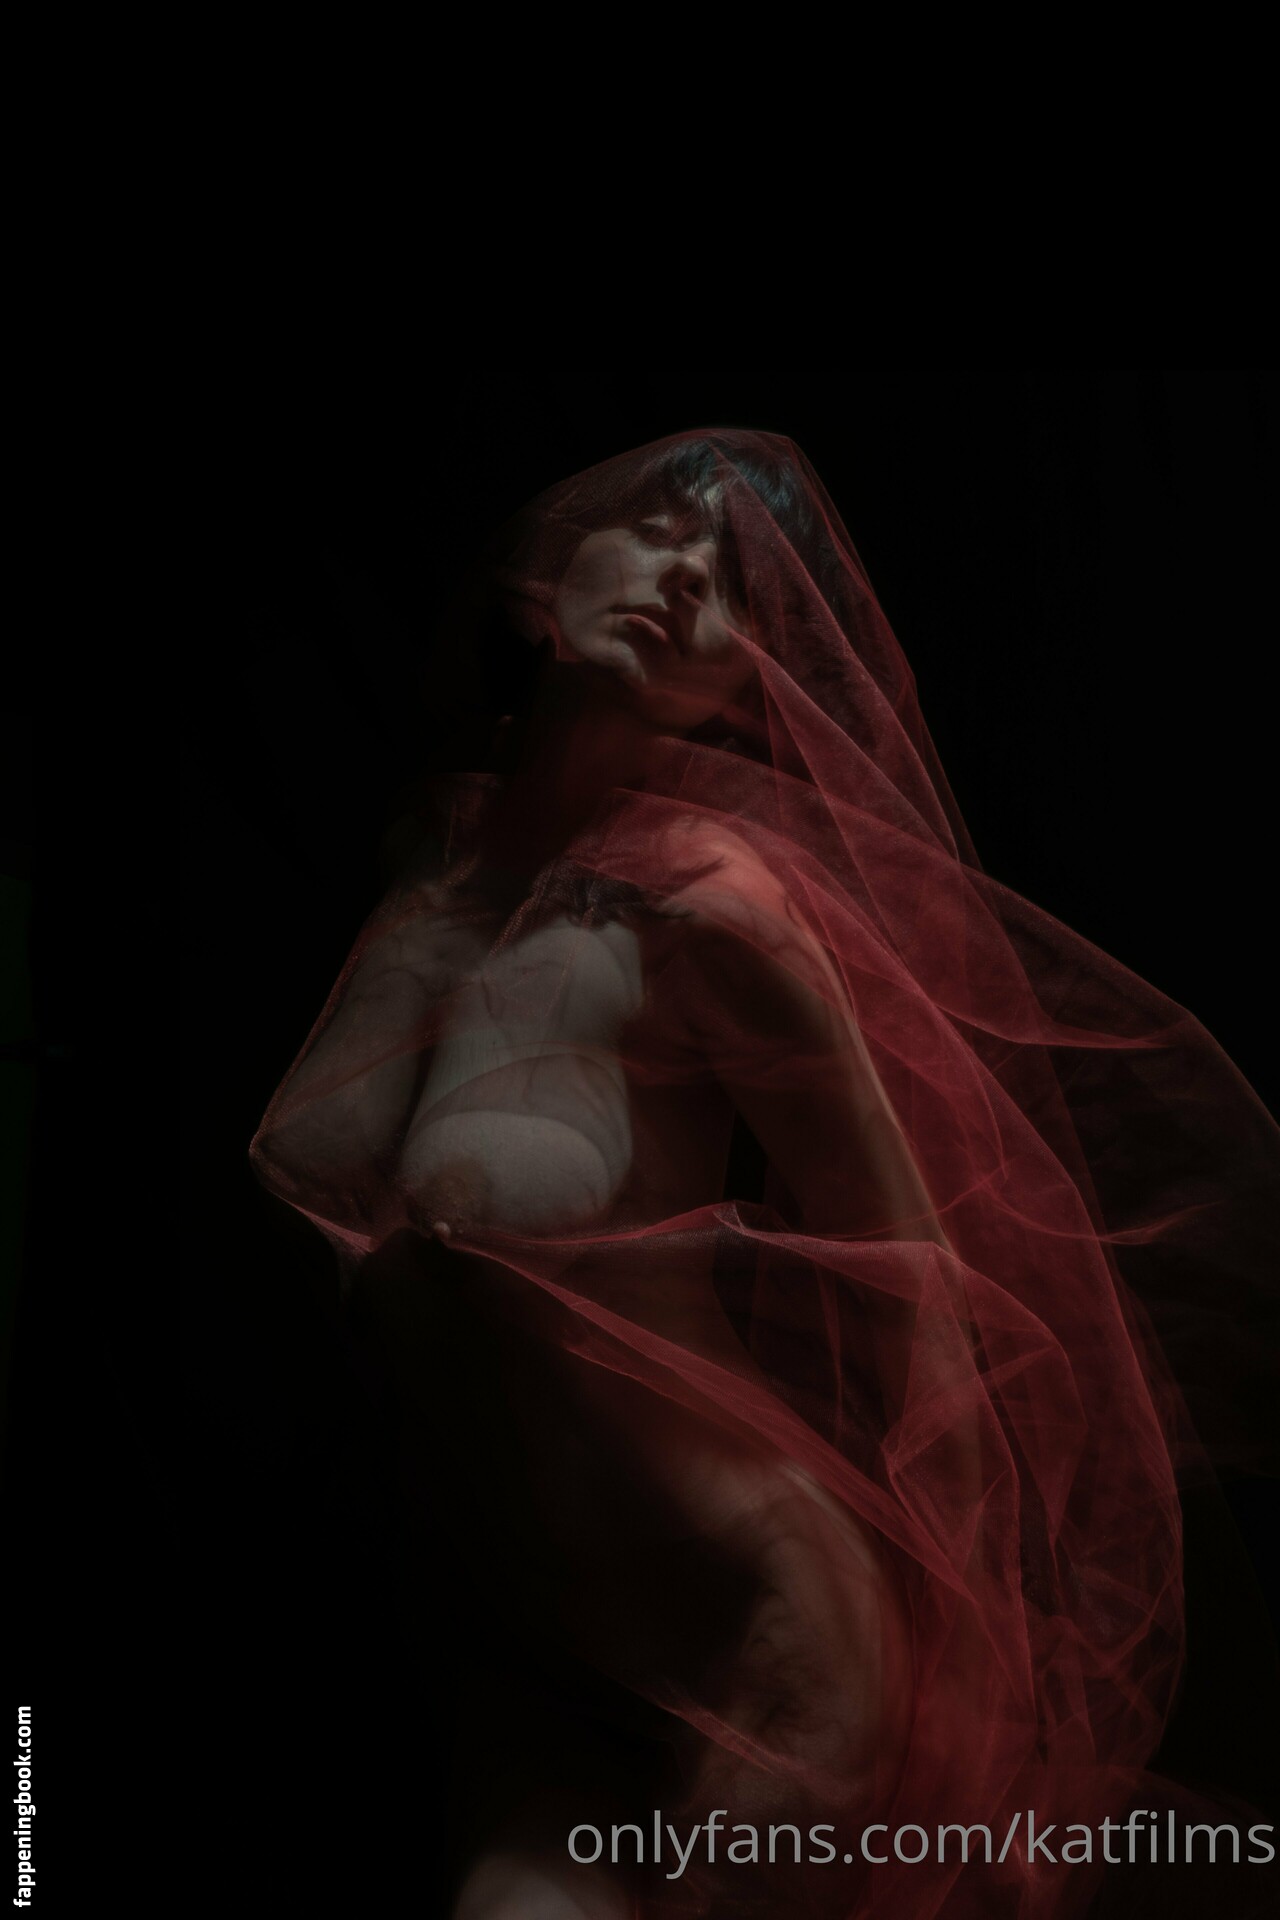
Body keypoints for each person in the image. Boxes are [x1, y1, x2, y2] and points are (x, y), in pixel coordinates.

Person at [249, 429, 1279, 1919]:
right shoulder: (433, 867)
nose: (681, 577)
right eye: (659, 531)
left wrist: (976, 1677)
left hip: (758, 1642)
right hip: (519, 1654)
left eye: (728, 581)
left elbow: (923, 1282)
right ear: (545, 576)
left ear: (744, 686)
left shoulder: (710, 917)